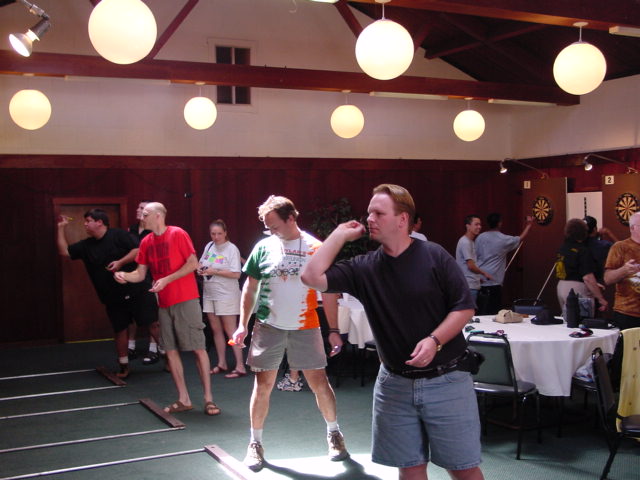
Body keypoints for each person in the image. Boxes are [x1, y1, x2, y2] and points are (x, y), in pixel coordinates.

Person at [301, 184, 483, 480]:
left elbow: (464, 308)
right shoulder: (364, 267)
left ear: (402, 219)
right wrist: (339, 235)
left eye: (379, 213)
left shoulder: (434, 255)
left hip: (447, 380)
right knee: (409, 467)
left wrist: (434, 340)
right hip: (395, 384)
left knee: (463, 467)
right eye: (369, 212)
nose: (370, 218)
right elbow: (310, 276)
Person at [230, 195, 347, 472]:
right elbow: (251, 287)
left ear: (291, 218)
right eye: (267, 227)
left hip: (306, 325)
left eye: (275, 226)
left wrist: (333, 330)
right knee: (263, 386)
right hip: (268, 325)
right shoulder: (263, 247)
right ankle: (255, 443)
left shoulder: (316, 248)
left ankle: (334, 434)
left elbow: (329, 292)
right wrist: (242, 324)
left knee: (319, 383)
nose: (271, 232)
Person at [114, 202, 219, 416]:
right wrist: (124, 275)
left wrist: (167, 279)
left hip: (186, 299)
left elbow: (192, 263)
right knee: (170, 351)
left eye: (146, 214)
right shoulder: (146, 242)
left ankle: (209, 399)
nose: (141, 217)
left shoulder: (177, 234)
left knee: (198, 348)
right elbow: (140, 274)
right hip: (163, 303)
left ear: (158, 215)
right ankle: (184, 399)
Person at [56, 208, 159, 379]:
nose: (85, 224)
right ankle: (124, 366)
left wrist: (120, 262)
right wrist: (61, 228)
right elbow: (64, 251)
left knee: (153, 323)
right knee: (120, 329)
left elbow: (137, 250)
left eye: (88, 221)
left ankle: (168, 357)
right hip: (112, 296)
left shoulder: (118, 235)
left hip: (137, 289)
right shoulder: (86, 245)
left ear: (100, 222)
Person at [198, 219, 246, 378]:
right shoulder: (209, 246)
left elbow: (236, 274)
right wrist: (200, 269)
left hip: (226, 294)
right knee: (216, 329)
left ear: (225, 233)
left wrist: (215, 271)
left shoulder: (232, 249)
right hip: (210, 292)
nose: (216, 237)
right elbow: (201, 263)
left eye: (219, 233)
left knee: (231, 330)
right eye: (213, 234)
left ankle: (240, 365)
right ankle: (222, 362)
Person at [126, 200, 163, 365]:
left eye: (142, 208)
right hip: (133, 277)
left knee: (152, 318)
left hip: (150, 279)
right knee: (132, 315)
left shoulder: (154, 231)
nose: (138, 210)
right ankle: (130, 347)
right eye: (138, 207)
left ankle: (155, 349)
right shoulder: (131, 230)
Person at [475, 213, 533, 314]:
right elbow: (520, 238)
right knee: (493, 312)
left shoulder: (480, 237)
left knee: (481, 311)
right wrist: (529, 225)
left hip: (480, 278)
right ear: (499, 223)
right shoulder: (503, 239)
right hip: (494, 280)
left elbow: (475, 255)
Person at [555, 218, 608, 313]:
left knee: (568, 318)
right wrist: (600, 298)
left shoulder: (563, 248)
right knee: (582, 319)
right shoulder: (582, 250)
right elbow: (587, 277)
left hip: (561, 286)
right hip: (578, 288)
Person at [604, 212, 640, 330]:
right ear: (632, 228)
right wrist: (624, 270)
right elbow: (607, 279)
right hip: (627, 313)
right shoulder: (620, 247)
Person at [455, 214, 492, 306]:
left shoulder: (470, 242)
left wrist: (478, 278)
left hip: (472, 285)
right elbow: (471, 266)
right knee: (469, 312)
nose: (479, 227)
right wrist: (484, 273)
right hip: (468, 286)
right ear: (468, 226)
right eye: (476, 224)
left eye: (480, 224)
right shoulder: (465, 242)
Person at [584, 215, 618, 284]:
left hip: (580, 281)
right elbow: (621, 249)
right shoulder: (603, 245)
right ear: (595, 229)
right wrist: (609, 233)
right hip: (596, 282)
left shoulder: (577, 244)